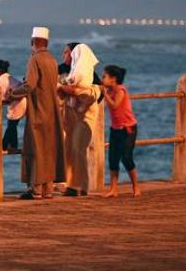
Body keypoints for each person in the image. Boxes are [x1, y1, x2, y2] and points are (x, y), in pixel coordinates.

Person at [8, 27, 60, 200]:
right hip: (52, 111)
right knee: (48, 150)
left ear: (33, 43)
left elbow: (29, 85)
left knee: (35, 149)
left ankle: (36, 189)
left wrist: (12, 93)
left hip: (38, 111)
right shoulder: (52, 60)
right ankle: (48, 189)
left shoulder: (35, 60)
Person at [57, 43, 102, 197]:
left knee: (78, 147)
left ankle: (80, 185)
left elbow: (98, 92)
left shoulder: (87, 72)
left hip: (85, 115)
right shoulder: (62, 69)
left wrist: (77, 91)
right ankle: (72, 185)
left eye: (66, 52)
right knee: (69, 148)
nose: (63, 55)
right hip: (70, 115)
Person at [101, 64, 141, 198]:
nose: (102, 79)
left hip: (128, 129)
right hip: (115, 129)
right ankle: (113, 189)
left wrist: (104, 93)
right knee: (113, 158)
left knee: (126, 157)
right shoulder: (110, 91)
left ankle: (136, 186)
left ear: (113, 79)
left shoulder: (120, 90)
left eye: (104, 77)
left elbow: (115, 105)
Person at [0, 59, 27, 151]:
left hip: (18, 104)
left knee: (12, 125)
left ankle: (7, 145)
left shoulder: (0, 82)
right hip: (20, 102)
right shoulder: (7, 77)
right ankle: (9, 145)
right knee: (12, 125)